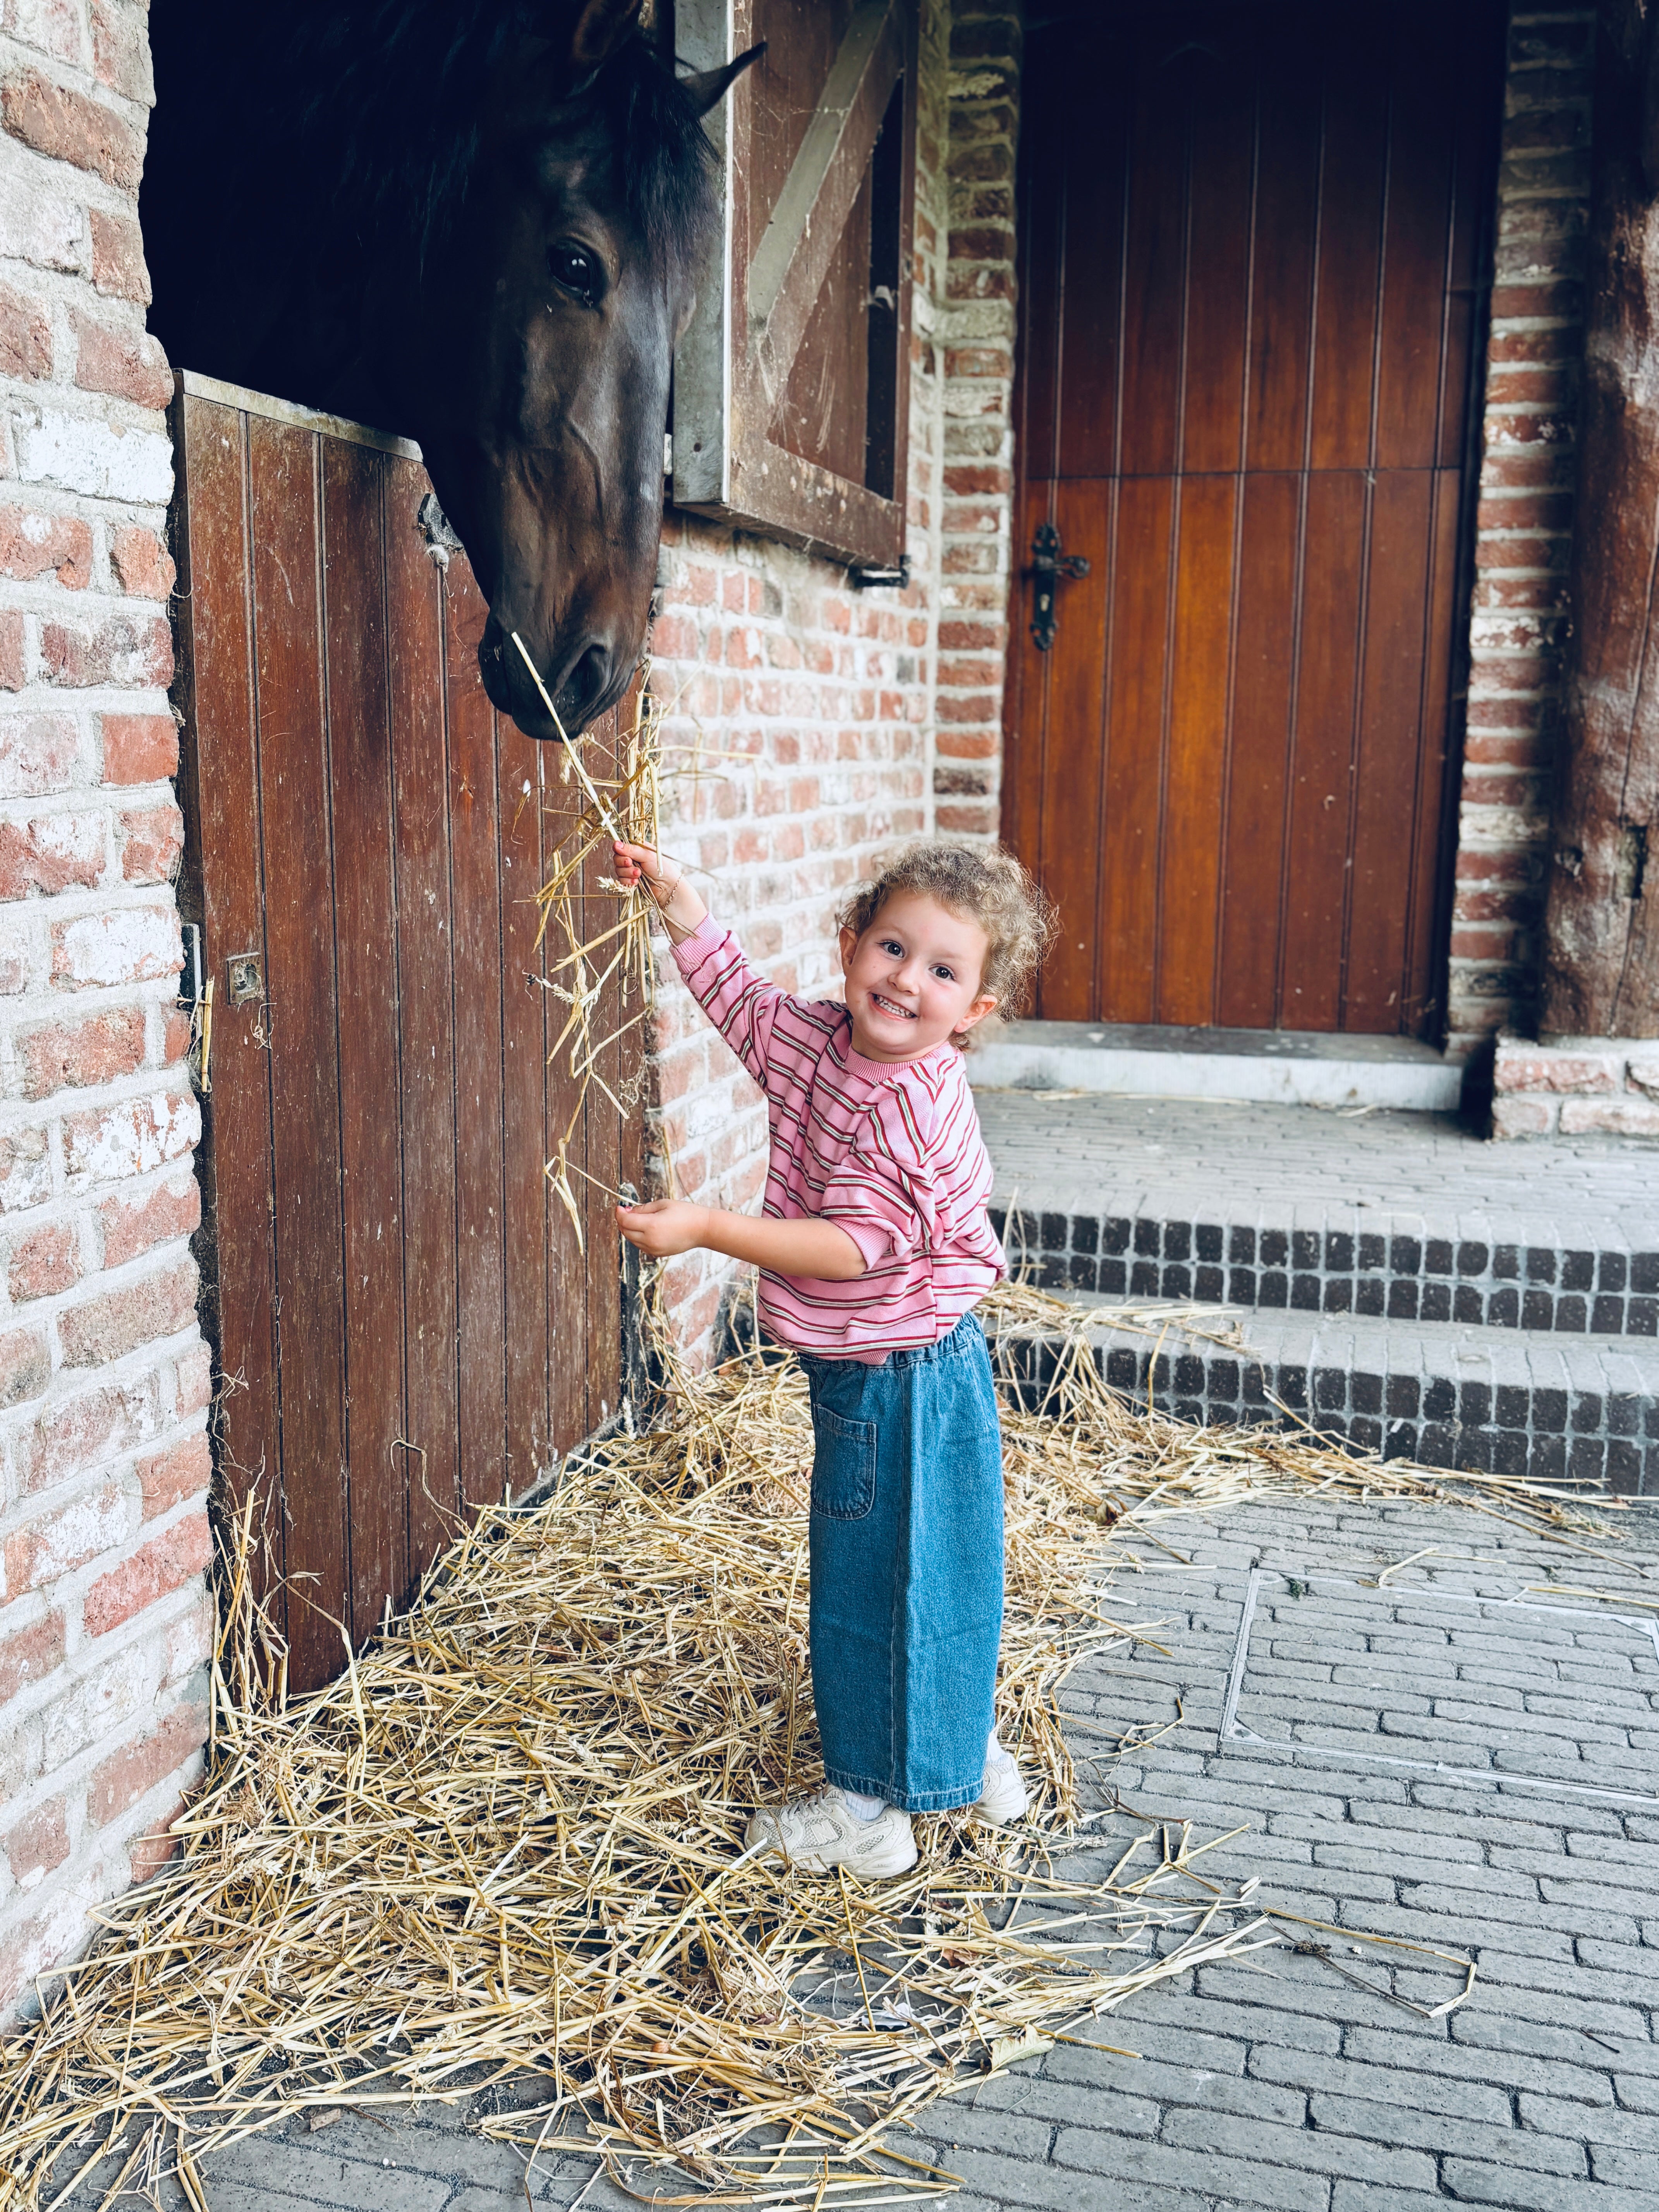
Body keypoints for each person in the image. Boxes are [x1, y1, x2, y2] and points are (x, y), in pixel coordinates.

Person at [610, 834, 1055, 1877]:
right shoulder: (819, 1044)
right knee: (940, 1564)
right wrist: (679, 903)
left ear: (976, 1008)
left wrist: (708, 1230)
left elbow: (852, 1249)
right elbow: (740, 1002)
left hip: (898, 1371)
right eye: (892, 947)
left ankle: (867, 1806)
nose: (907, 980)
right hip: (912, 1358)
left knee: (869, 1579)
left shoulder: (909, 1102)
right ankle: (955, 1756)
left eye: (943, 971)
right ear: (850, 943)